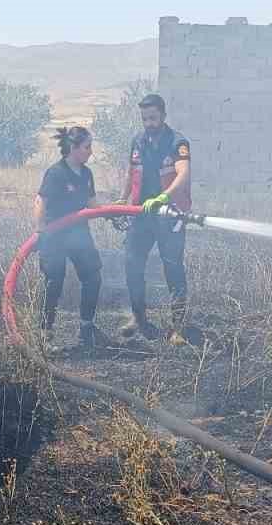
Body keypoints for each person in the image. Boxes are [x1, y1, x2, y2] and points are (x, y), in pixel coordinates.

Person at [119, 93, 192, 343]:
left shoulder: (177, 142)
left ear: (163, 115)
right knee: (132, 264)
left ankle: (178, 327)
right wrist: (122, 198)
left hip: (169, 214)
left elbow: (183, 174)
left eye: (153, 118)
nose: (148, 123)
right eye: (144, 118)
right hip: (141, 214)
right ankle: (138, 318)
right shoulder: (138, 141)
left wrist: (164, 197)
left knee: (173, 268)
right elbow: (132, 172)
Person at [33, 124, 108, 352]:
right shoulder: (56, 173)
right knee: (54, 283)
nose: (90, 152)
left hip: (79, 234)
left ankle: (86, 329)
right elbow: (40, 202)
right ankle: (45, 334)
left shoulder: (86, 174)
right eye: (87, 147)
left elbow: (92, 204)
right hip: (54, 236)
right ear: (73, 148)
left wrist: (114, 212)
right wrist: (39, 232)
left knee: (93, 277)